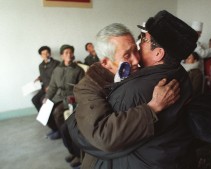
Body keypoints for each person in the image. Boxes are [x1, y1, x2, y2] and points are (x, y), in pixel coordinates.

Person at [71, 10, 198, 169]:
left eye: (140, 42)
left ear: (159, 53)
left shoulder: (136, 88)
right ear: (105, 63)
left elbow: (103, 140)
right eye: (127, 55)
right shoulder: (179, 74)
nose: (136, 59)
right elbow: (102, 135)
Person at [45, 44, 85, 140]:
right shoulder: (57, 69)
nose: (69, 54)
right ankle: (57, 130)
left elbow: (82, 87)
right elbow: (52, 86)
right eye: (66, 52)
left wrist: (76, 97)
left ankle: (66, 135)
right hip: (58, 96)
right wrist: (47, 97)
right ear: (61, 55)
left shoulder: (78, 70)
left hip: (71, 97)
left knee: (57, 112)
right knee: (46, 109)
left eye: (71, 52)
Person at [32, 46, 59, 112]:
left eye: (47, 53)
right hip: (44, 88)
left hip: (54, 88)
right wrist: (39, 78)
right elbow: (43, 75)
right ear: (41, 55)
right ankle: (42, 116)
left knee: (44, 100)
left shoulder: (57, 63)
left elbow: (59, 77)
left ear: (50, 53)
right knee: (34, 100)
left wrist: (50, 86)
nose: (45, 55)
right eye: (43, 54)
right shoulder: (41, 65)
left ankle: (50, 120)